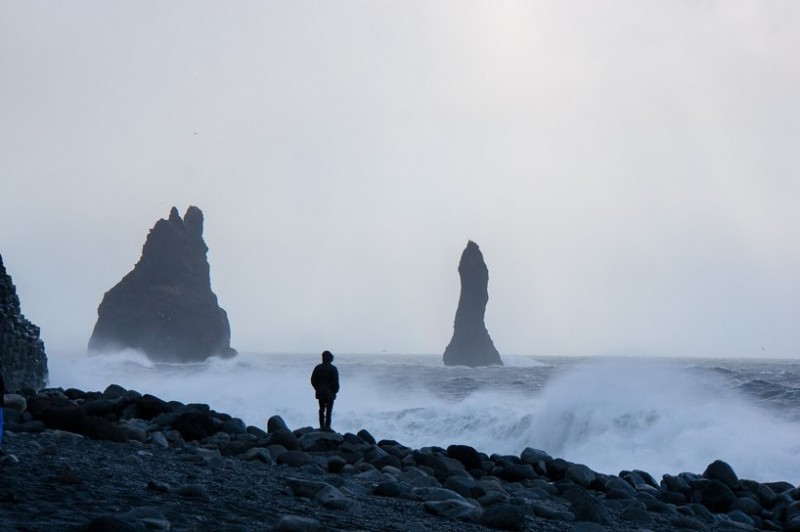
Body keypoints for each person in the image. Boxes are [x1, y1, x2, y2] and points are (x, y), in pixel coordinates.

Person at [310, 350, 339, 431]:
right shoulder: (333, 369)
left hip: (320, 393)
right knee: (329, 411)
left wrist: (317, 388)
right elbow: (336, 383)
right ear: (330, 358)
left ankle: (322, 426)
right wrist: (335, 391)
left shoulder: (318, 368)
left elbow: (313, 380)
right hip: (330, 394)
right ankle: (327, 427)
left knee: (321, 410)